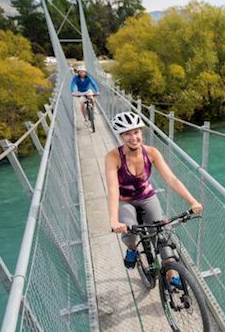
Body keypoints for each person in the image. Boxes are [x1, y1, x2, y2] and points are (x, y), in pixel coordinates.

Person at [105, 111, 202, 272]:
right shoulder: (113, 157)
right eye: (127, 134)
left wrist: (192, 201)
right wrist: (114, 221)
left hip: (146, 196)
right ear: (121, 136)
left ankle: (172, 275)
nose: (134, 137)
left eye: (136, 132)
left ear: (141, 132)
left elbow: (171, 179)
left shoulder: (151, 153)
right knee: (131, 234)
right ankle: (132, 249)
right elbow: (113, 189)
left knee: (162, 235)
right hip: (125, 200)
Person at [71, 66, 100, 131]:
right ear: (78, 73)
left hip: (87, 91)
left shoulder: (88, 78)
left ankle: (93, 108)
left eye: (83, 72)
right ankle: (85, 118)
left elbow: (93, 84)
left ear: (85, 73)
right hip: (80, 92)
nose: (82, 73)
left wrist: (97, 91)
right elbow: (72, 85)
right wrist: (73, 92)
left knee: (91, 98)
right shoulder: (75, 78)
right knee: (82, 104)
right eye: (80, 72)